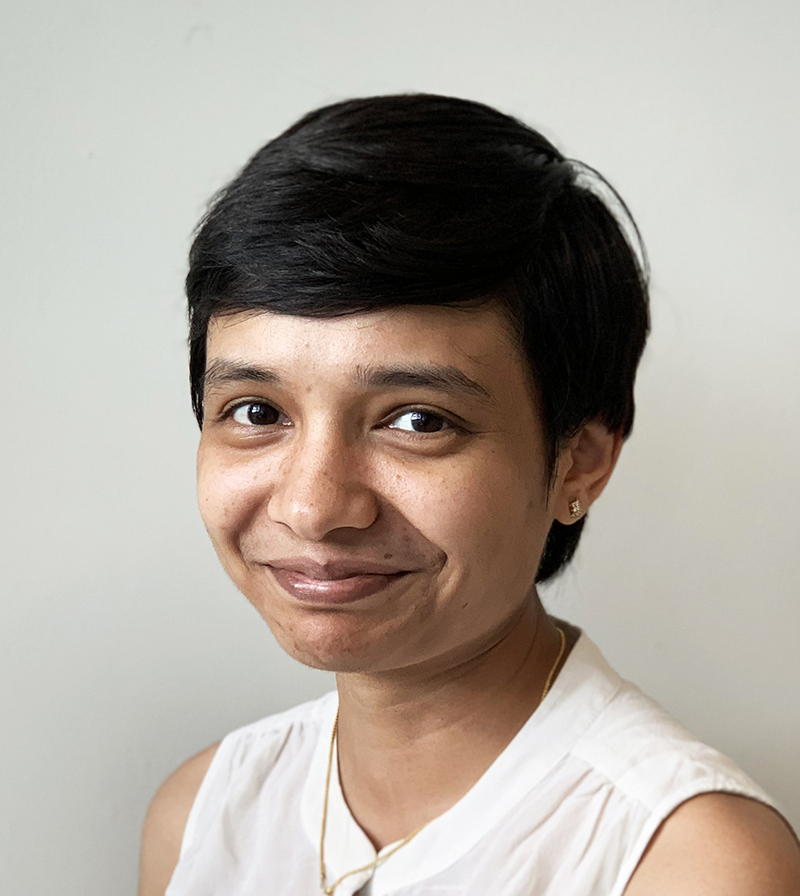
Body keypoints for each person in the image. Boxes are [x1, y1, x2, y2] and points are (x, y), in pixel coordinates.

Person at [138, 94, 800, 896]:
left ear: (579, 464)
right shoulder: (202, 814)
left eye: (417, 420)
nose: (311, 507)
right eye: (256, 412)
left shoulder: (686, 861)